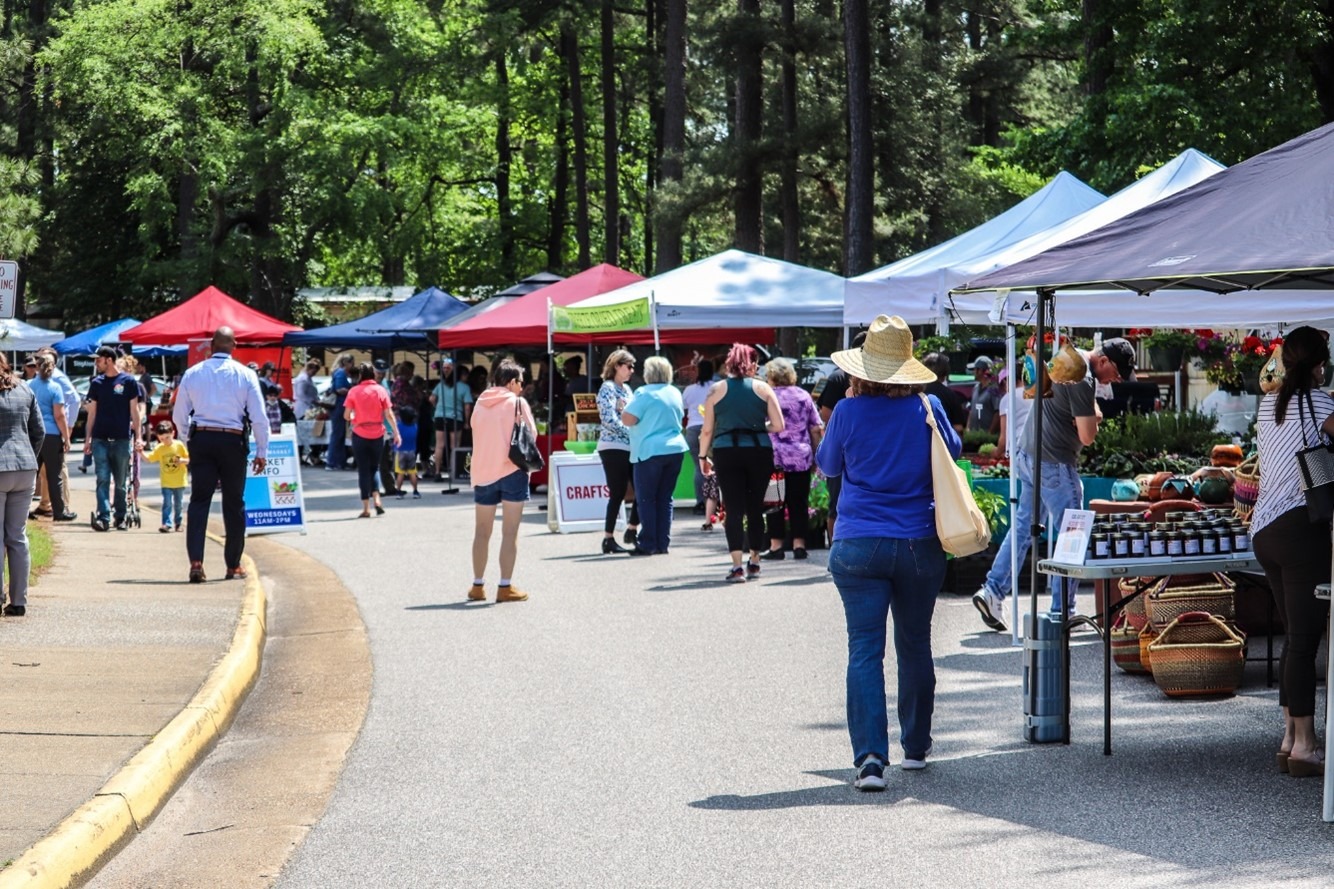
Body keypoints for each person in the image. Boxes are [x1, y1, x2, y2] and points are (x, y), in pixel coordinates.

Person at [816, 314, 960, 789]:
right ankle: (915, 747)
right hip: (919, 541)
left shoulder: (847, 412)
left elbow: (827, 467)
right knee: (915, 643)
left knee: (864, 650)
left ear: (861, 369)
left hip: (858, 543)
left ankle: (871, 761)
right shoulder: (928, 406)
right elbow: (953, 453)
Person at [972, 336, 1134, 630]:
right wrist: (1094, 414)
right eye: (1117, 374)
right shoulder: (1084, 378)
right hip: (1055, 462)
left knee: (1023, 527)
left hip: (1029, 452)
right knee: (1073, 534)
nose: (1116, 381)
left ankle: (993, 590)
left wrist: (1087, 413)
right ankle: (1063, 612)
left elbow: (1060, 405)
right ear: (1104, 361)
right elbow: (1087, 436)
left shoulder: (1066, 357)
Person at [1250, 326, 1333, 778]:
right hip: (1300, 529)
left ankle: (1289, 736)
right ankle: (1305, 745)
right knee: (1304, 643)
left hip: (1264, 529)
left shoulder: (1270, 403)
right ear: (1320, 362)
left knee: (1291, 639)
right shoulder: (1320, 403)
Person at [171, 327, 269, 583]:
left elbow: (179, 413)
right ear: (234, 345)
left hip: (202, 437)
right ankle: (233, 565)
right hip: (232, 440)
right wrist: (261, 450)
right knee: (234, 503)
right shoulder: (245, 375)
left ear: (211, 345)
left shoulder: (193, 373)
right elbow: (259, 417)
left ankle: (196, 562)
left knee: (199, 500)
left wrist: (186, 439)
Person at [699, 343, 785, 583]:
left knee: (733, 509)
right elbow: (779, 426)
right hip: (759, 451)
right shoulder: (763, 388)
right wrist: (758, 427)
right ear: (753, 364)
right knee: (756, 508)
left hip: (727, 451)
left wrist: (703, 457)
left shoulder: (716, 390)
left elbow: (707, 430)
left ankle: (737, 566)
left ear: (729, 363)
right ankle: (755, 561)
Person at [467, 359, 535, 603]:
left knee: (481, 532)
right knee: (510, 532)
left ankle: (477, 585)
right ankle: (505, 586)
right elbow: (532, 435)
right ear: (512, 381)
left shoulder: (480, 403)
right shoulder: (517, 402)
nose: (522, 387)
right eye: (521, 382)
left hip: (483, 472)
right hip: (512, 471)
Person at [621, 356, 687, 557]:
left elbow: (628, 419)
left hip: (649, 450)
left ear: (649, 374)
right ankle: (662, 542)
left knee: (646, 498)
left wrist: (623, 407)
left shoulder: (643, 393)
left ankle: (648, 542)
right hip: (675, 449)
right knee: (665, 498)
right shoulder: (675, 392)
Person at [761, 357, 824, 560]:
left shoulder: (767, 395)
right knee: (799, 502)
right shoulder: (803, 395)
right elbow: (816, 428)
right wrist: (816, 455)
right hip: (800, 457)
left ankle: (776, 546)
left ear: (771, 376)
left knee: (775, 502)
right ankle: (799, 545)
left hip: (775, 458)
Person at [0, 354, 45, 615]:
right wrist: (29, 456)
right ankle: (19, 601)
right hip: (25, 468)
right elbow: (38, 430)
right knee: (17, 536)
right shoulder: (24, 388)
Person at [83, 346, 144, 532]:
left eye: (98, 360)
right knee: (102, 478)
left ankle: (121, 516)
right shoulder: (97, 383)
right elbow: (91, 413)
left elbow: (135, 412)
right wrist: (88, 438)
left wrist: (139, 437)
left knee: (120, 481)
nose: (96, 363)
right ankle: (103, 517)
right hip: (100, 438)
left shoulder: (128, 382)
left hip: (122, 439)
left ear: (108, 360)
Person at [818, 331, 866, 545]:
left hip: (845, 453)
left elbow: (827, 464)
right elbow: (825, 413)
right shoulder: (839, 378)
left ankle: (836, 550)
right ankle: (834, 547)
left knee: (838, 503)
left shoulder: (846, 407)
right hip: (843, 450)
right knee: (835, 505)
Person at [595, 350, 641, 553]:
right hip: (612, 446)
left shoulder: (628, 390)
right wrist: (630, 432)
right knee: (618, 492)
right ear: (616, 366)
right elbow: (608, 419)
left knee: (641, 488)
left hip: (630, 446)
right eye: (628, 366)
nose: (631, 371)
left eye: (633, 367)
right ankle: (608, 538)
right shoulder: (607, 388)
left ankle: (632, 528)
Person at [344, 362, 400, 518]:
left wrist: (355, 415)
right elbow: (389, 414)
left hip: (360, 433)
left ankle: (366, 508)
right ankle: (377, 500)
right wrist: (396, 433)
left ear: (360, 375)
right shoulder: (381, 390)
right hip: (378, 433)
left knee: (363, 470)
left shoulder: (353, 391)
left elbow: (346, 415)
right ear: (373, 375)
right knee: (374, 468)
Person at [29, 355, 76, 522]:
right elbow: (59, 415)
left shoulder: (28, 386)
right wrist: (67, 437)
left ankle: (25, 510)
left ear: (36, 367)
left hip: (33, 435)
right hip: (51, 435)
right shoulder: (55, 388)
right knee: (54, 475)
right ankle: (59, 512)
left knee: (30, 475)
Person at [143, 419, 189, 532]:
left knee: (178, 504)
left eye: (167, 438)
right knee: (167, 504)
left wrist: (182, 460)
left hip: (179, 481)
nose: (165, 441)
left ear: (173, 433)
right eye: (162, 439)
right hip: (166, 482)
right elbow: (149, 459)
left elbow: (188, 459)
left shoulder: (179, 445)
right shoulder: (160, 448)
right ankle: (166, 523)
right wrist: (140, 452)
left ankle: (178, 523)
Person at [431, 358, 473, 480]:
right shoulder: (464, 387)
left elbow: (431, 399)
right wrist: (466, 422)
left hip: (440, 415)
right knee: (454, 446)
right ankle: (453, 471)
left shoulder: (440, 385)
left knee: (439, 446)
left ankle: (437, 472)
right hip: (456, 418)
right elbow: (467, 406)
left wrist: (438, 407)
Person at [682, 359, 713, 512]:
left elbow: (683, 409)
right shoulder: (716, 388)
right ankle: (714, 501)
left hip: (693, 429)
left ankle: (700, 502)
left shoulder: (689, 390)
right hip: (713, 429)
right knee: (715, 467)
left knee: (698, 467)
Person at [922, 352, 967, 433]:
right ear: (944, 373)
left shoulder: (916, 394)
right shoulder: (950, 395)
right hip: (943, 443)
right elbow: (958, 427)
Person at [994, 367, 1032, 457]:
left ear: (1006, 381)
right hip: (1038, 448)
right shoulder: (1035, 395)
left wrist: (996, 452)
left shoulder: (1008, 398)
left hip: (1018, 450)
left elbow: (1004, 437)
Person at [326, 354, 355, 470]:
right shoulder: (341, 373)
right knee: (337, 434)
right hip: (339, 407)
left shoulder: (339, 373)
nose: (352, 366)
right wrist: (351, 390)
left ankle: (340, 462)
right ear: (346, 363)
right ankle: (332, 462)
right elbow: (339, 389)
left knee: (340, 434)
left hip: (341, 407)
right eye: (351, 363)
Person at [393, 405, 422, 499]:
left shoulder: (398, 426)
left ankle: (398, 491)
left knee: (400, 473)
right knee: (412, 473)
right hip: (411, 451)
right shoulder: (415, 426)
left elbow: (395, 437)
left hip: (400, 451)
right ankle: (415, 491)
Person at [966, 355, 1001, 434]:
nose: (974, 372)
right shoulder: (975, 388)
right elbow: (971, 410)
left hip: (988, 436)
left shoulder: (994, 389)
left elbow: (997, 413)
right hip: (974, 435)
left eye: (975, 369)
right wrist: (968, 428)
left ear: (982, 370)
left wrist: (990, 432)